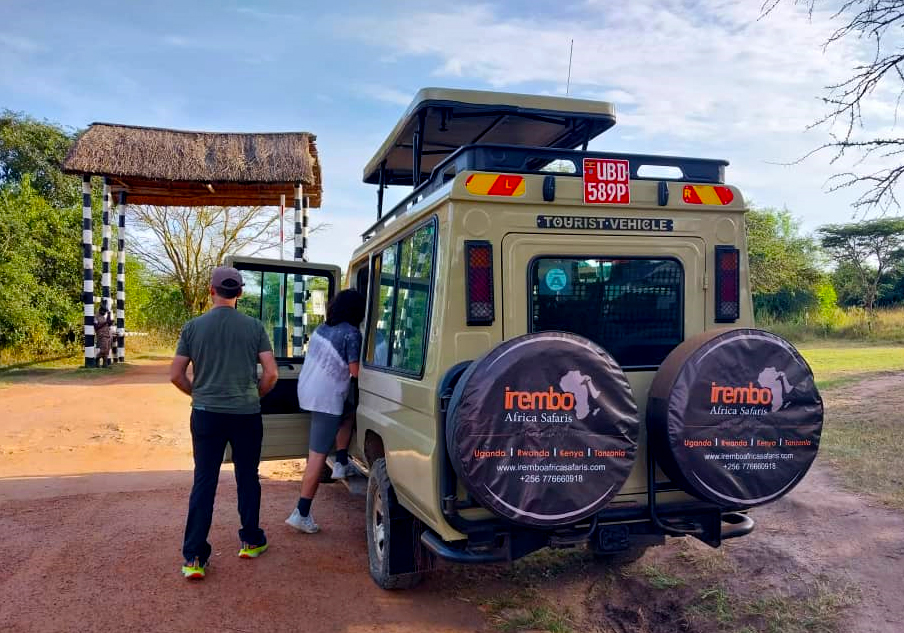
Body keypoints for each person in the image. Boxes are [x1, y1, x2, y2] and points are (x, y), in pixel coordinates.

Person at [170, 266, 279, 580]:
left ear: (211, 291)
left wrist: (200, 393)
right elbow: (271, 374)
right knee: (248, 477)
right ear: (240, 293)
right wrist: (254, 396)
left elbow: (176, 375)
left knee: (204, 481)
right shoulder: (255, 327)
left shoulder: (193, 327)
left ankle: (193, 557)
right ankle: (250, 540)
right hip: (245, 413)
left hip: (205, 414)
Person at [285, 289, 365, 533]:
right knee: (317, 458)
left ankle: (341, 462)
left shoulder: (321, 329)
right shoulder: (352, 334)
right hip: (326, 400)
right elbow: (356, 372)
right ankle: (301, 512)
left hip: (307, 391)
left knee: (348, 414)